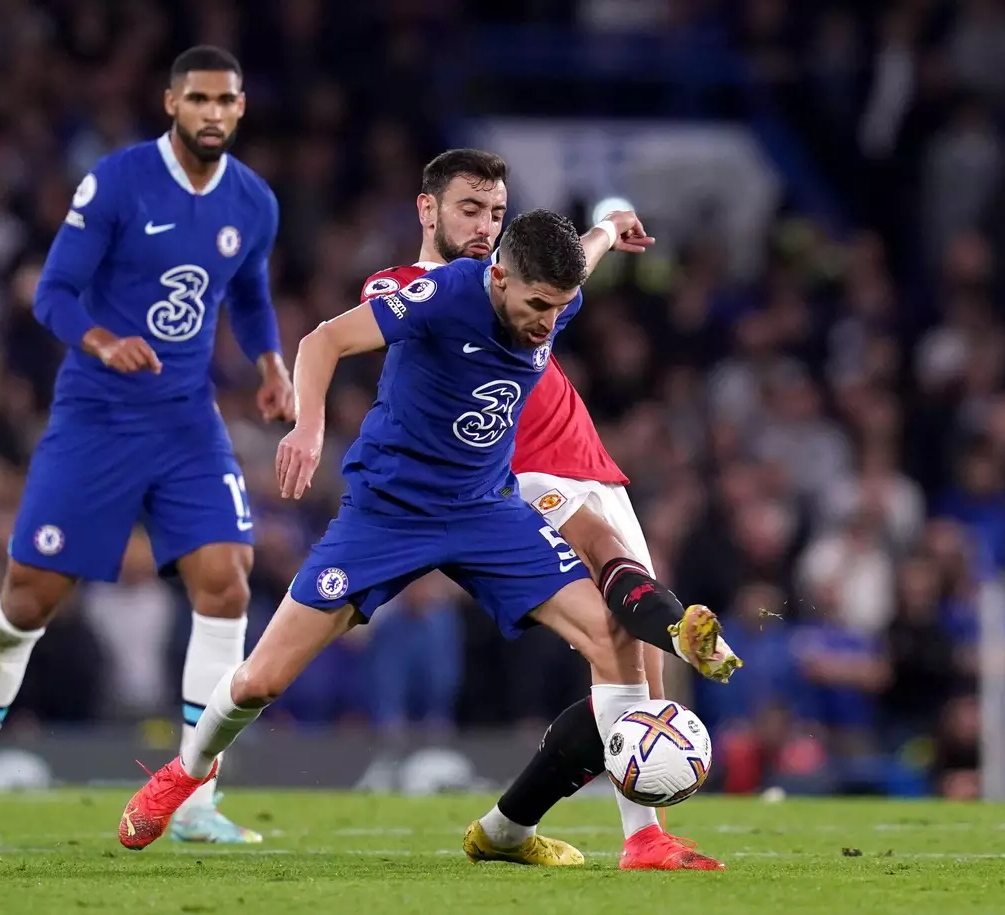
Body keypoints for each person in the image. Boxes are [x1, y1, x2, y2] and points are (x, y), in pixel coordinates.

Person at [118, 209, 676, 852]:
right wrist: (308, 428)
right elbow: (321, 342)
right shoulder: (442, 296)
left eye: (564, 306)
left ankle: (645, 841)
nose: (549, 321)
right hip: (389, 514)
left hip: (484, 508)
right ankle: (186, 771)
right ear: (498, 278)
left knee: (614, 634)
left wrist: (610, 225)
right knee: (260, 681)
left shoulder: (553, 290)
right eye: (539, 304)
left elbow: (588, 248)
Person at [0, 46, 293, 846]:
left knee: (226, 583)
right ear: (170, 103)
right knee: (26, 600)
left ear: (241, 108)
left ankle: (194, 800)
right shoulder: (116, 182)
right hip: (97, 417)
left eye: (227, 100)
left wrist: (270, 361)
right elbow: (52, 293)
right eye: (199, 99)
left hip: (186, 421)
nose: (213, 113)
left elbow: (248, 293)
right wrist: (102, 339)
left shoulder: (254, 202)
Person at [363, 150, 732, 870]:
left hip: (593, 466)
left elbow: (566, 269)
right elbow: (376, 316)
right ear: (428, 210)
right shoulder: (419, 293)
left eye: (495, 214)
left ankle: (509, 829)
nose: (484, 226)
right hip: (525, 474)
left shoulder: (521, 285)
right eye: (470, 210)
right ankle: (641, 835)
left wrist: (604, 227)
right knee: (624, 646)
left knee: (637, 681)